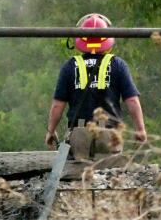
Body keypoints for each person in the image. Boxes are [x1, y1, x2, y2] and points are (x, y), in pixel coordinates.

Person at [45, 13, 147, 150]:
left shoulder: (70, 66)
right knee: (111, 170)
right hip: (110, 135)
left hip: (79, 134)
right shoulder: (118, 64)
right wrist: (140, 129)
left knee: (78, 170)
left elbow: (58, 105)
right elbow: (132, 101)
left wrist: (51, 131)